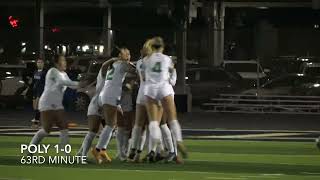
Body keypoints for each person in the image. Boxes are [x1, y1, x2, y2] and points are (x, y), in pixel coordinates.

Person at [142, 37, 187, 162]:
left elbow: (144, 76)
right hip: (164, 88)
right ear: (162, 47)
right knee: (172, 119)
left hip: (150, 89)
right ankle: (178, 141)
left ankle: (157, 143)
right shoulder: (167, 59)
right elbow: (172, 71)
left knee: (153, 122)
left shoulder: (146, 59)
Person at [28, 55, 79, 154]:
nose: (65, 62)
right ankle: (30, 150)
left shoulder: (64, 74)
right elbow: (62, 82)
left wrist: (83, 84)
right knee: (46, 130)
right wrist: (79, 83)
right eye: (63, 60)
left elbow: (70, 85)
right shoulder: (52, 71)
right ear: (56, 63)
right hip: (47, 103)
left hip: (58, 105)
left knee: (64, 127)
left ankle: (65, 154)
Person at [91, 48, 135, 164]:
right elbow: (135, 70)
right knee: (111, 124)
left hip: (108, 95)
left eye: (129, 53)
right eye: (126, 53)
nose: (129, 55)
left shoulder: (115, 64)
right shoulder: (122, 64)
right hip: (110, 96)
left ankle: (109, 150)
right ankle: (97, 149)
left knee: (120, 122)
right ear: (120, 55)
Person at [77, 58, 117, 159]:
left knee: (108, 130)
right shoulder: (105, 72)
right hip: (96, 103)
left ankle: (82, 153)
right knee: (93, 131)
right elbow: (104, 66)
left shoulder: (115, 76)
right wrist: (112, 60)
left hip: (105, 105)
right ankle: (83, 156)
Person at [31, 58, 47, 128]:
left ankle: (36, 123)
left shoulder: (45, 72)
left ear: (43, 64)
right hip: (35, 91)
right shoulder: (35, 72)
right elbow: (34, 82)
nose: (39, 63)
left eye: (40, 62)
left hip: (42, 91)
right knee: (35, 107)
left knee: (38, 107)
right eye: (38, 62)